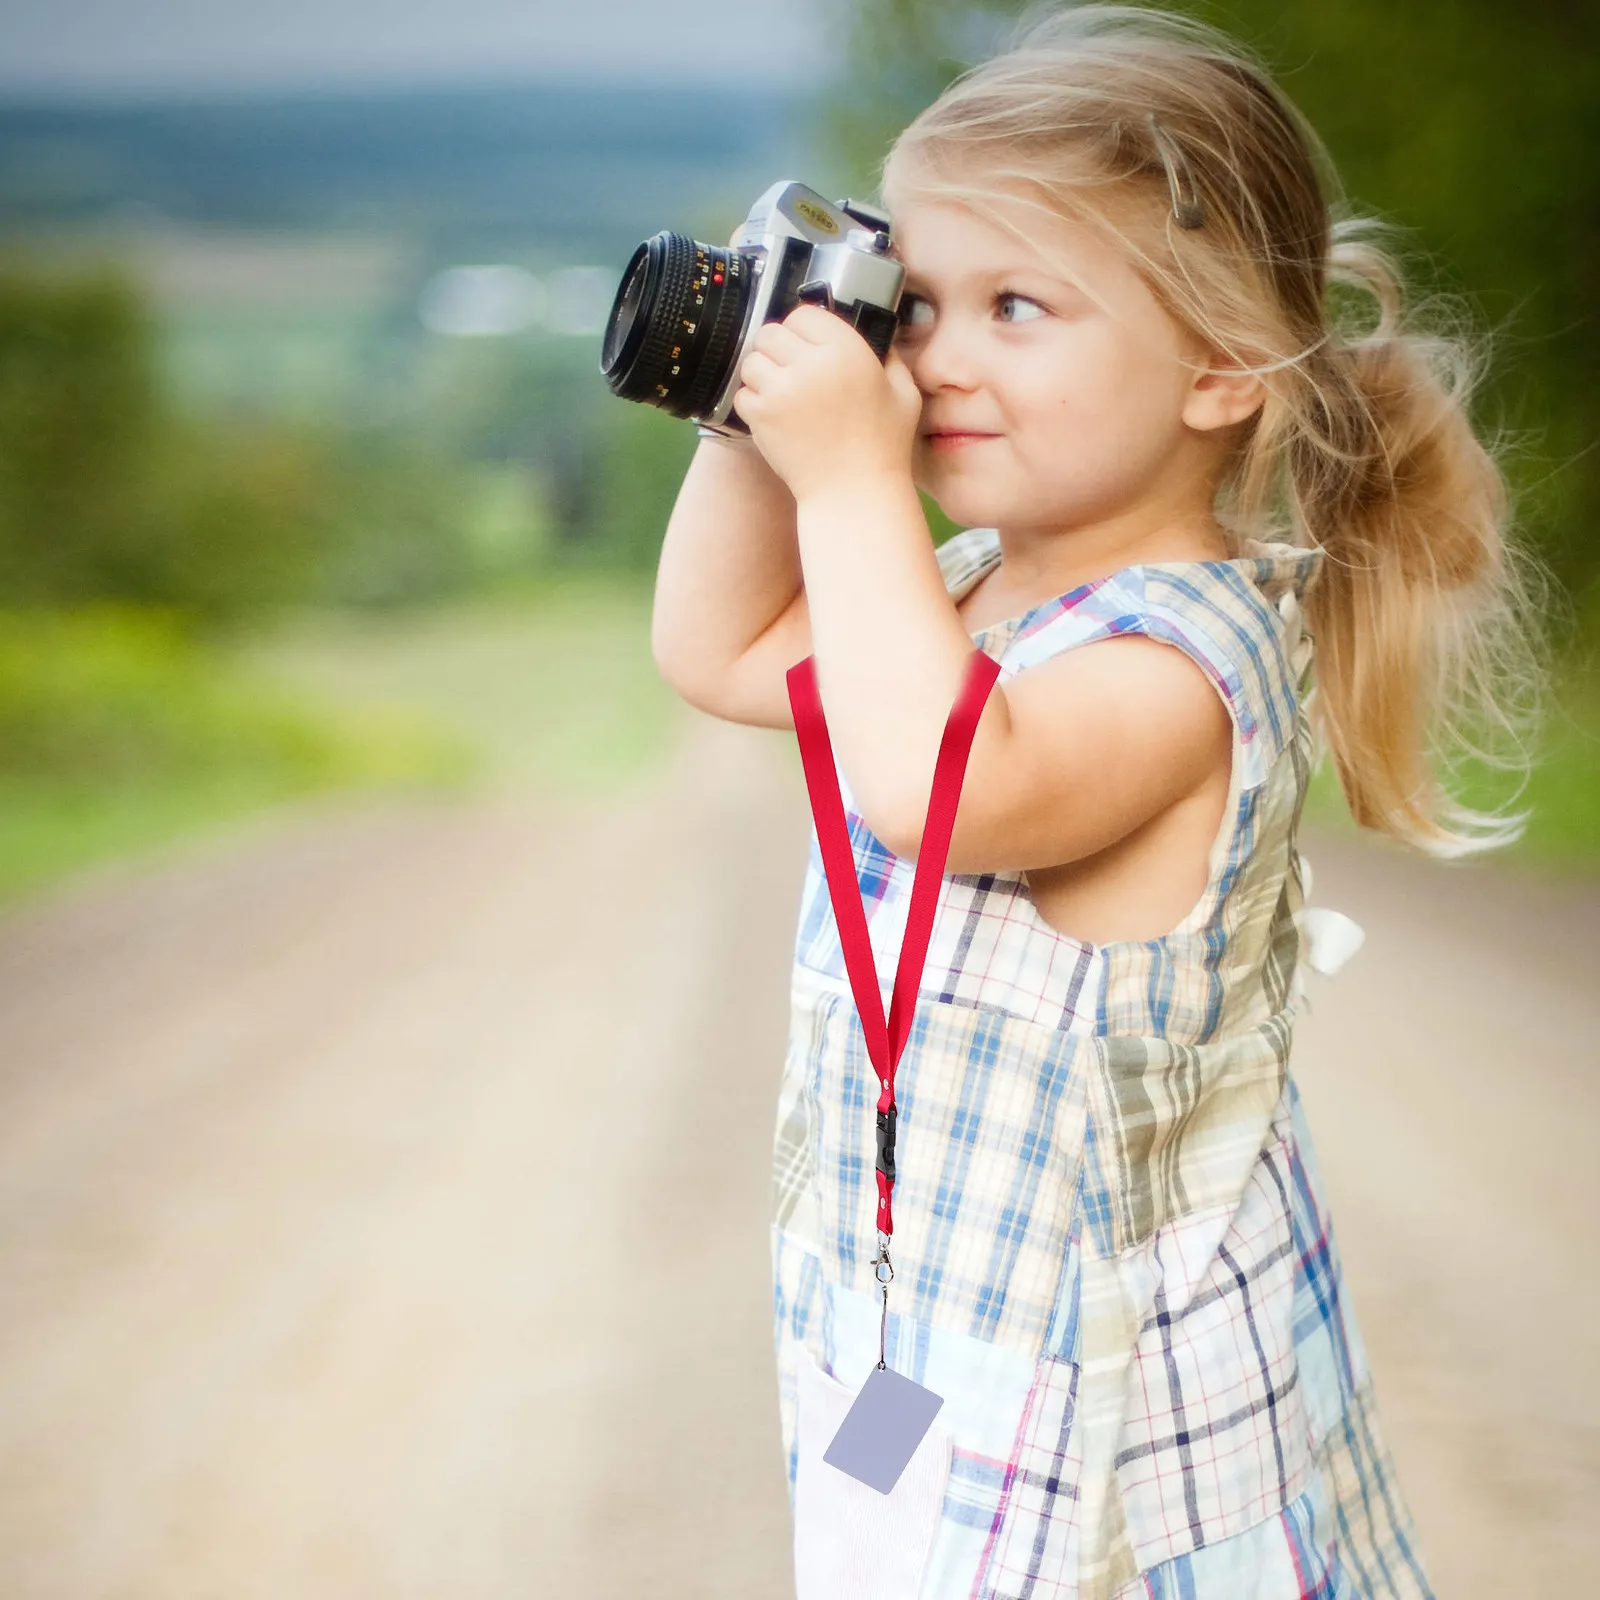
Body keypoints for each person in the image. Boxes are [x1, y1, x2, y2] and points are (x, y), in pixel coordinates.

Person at [650, 5, 1552, 1595]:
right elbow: (722, 651)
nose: (938, 359)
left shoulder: (1182, 662)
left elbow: (948, 792)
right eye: (917, 304)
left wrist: (854, 481)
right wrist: (759, 406)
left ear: (1217, 371)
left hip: (1123, 1424)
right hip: (946, 1334)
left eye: (1018, 304)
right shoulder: (969, 588)